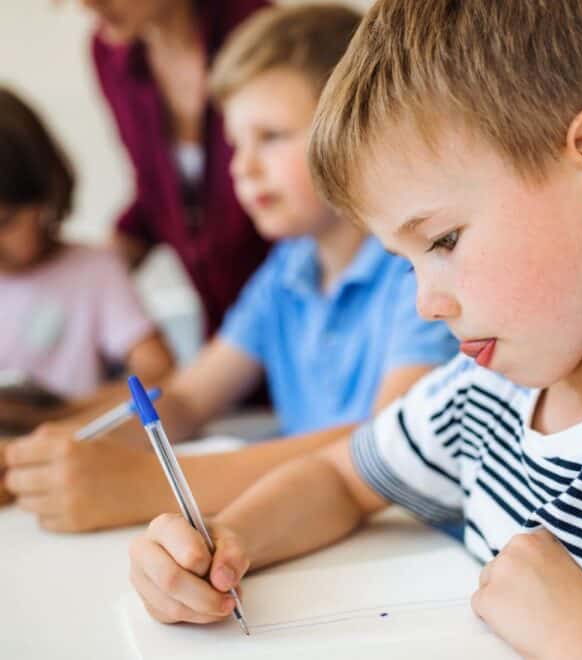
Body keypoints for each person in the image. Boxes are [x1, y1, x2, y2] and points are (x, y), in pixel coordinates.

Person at [127, 1, 582, 657]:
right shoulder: (485, 391)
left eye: (443, 240)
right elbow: (340, 479)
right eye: (407, 265)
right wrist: (225, 542)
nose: (425, 305)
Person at [3, 4, 458, 534]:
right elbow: (187, 398)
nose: (242, 166)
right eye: (235, 143)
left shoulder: (413, 271)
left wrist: (143, 484)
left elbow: (383, 445)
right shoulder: (284, 273)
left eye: (271, 136)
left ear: (354, 133)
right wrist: (44, 457)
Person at [0, 87, 173, 492]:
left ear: (45, 195)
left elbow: (158, 371)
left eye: (3, 222)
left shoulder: (93, 271)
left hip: (67, 461)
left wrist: (60, 411)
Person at [82, 0, 272, 337]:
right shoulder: (110, 55)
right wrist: (82, 274)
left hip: (290, 308)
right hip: (221, 325)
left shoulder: (260, 34)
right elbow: (156, 192)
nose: (87, 4)